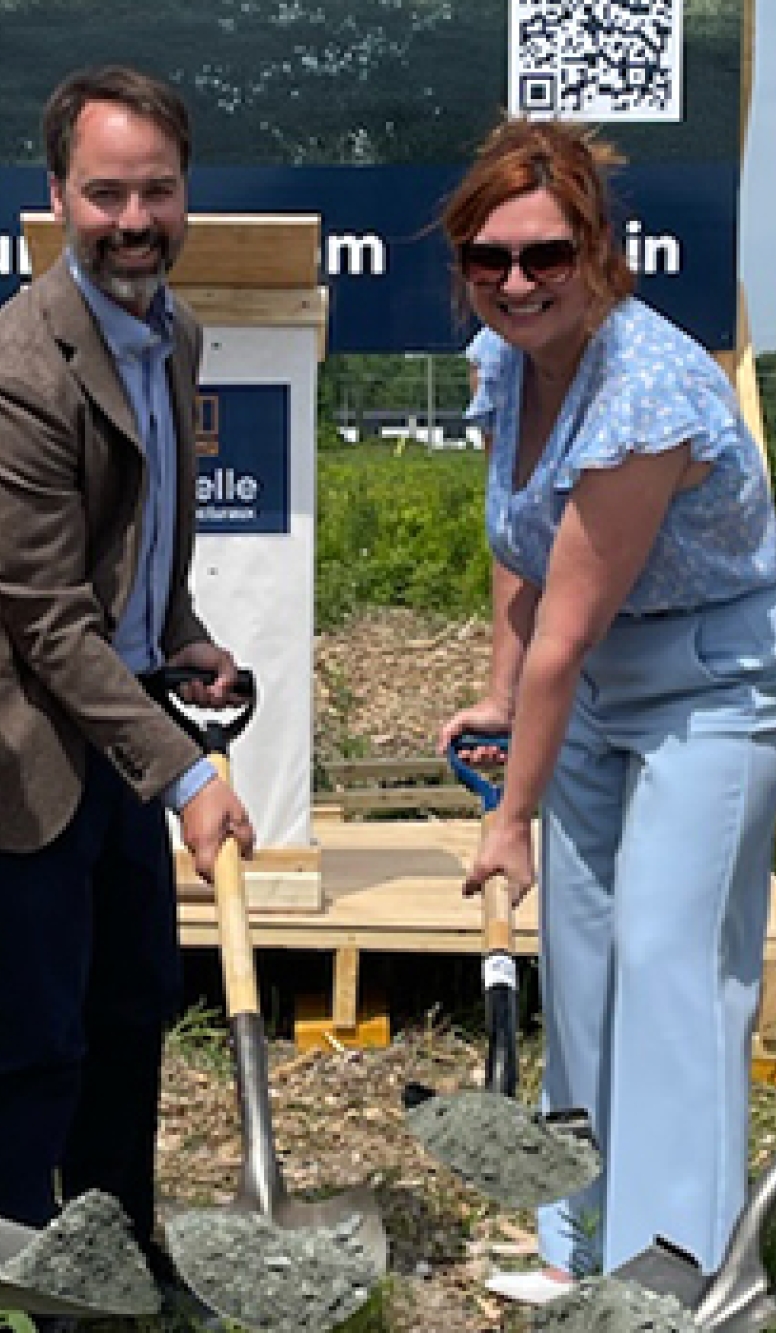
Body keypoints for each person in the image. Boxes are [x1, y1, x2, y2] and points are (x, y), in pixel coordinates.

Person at [0, 64, 256, 1286]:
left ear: (185, 191)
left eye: (157, 190)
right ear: (56, 196)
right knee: (37, 1034)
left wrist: (179, 631)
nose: (133, 219)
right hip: (8, 754)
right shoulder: (13, 375)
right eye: (106, 194)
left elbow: (126, 545)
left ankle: (117, 1257)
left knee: (131, 1006)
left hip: (108, 723)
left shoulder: (171, 332)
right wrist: (190, 776)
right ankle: (16, 1278)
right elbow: (47, 623)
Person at [437, 116, 776, 1303]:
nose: (516, 282)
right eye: (488, 259)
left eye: (545, 255)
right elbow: (520, 546)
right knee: (580, 964)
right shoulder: (504, 362)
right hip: (586, 683)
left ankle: (676, 1274)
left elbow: (569, 628)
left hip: (713, 682)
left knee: (669, 956)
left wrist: (507, 821)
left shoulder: (646, 387)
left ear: (597, 252)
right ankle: (574, 1247)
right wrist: (497, 691)